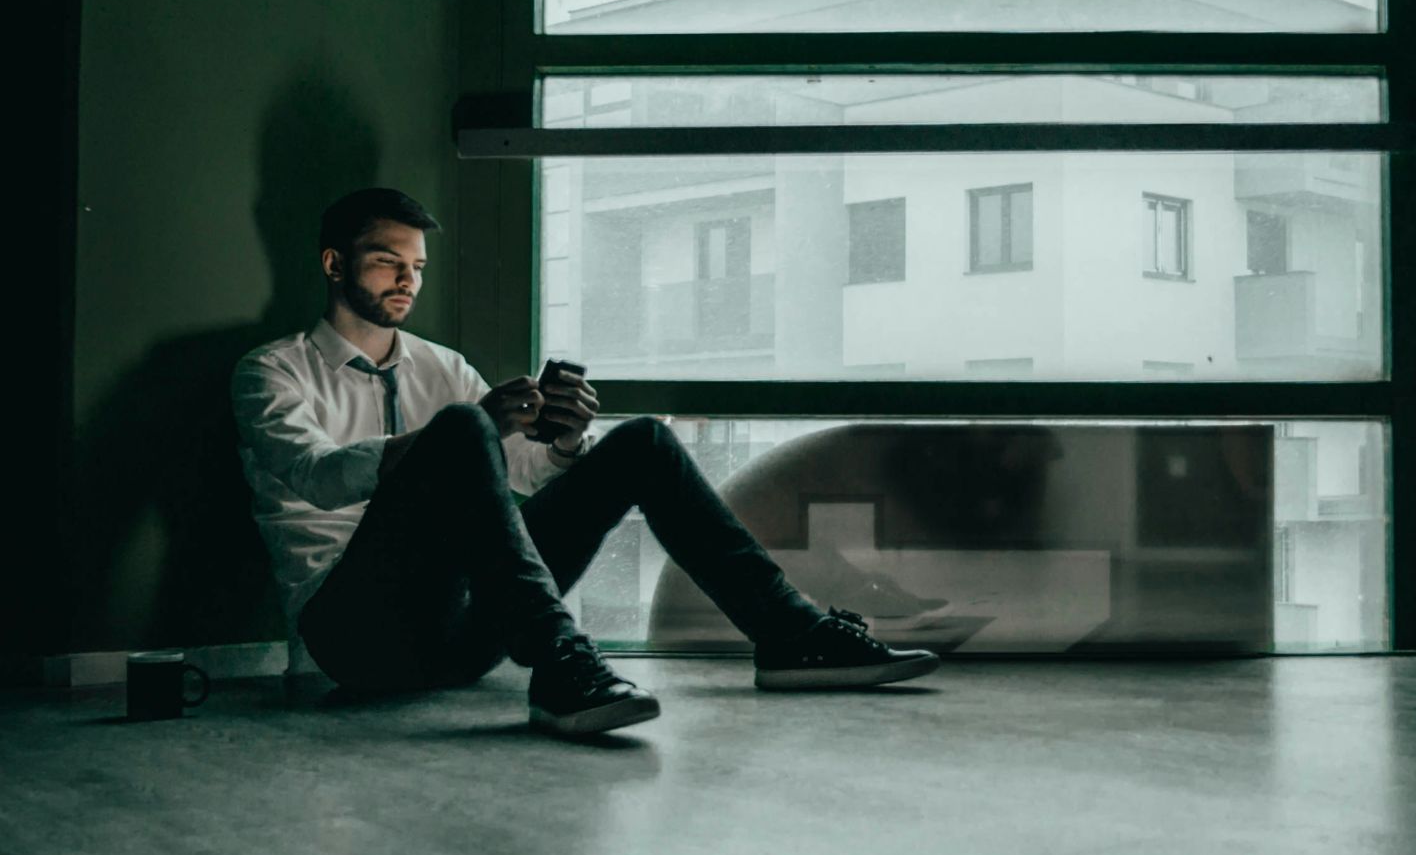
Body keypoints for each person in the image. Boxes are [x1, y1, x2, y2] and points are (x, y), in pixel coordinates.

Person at [231, 188, 938, 735]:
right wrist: (458, 433)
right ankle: (560, 661)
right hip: (352, 638)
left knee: (641, 443)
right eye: (388, 261)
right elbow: (317, 479)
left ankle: (791, 633)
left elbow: (516, 480)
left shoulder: (443, 368)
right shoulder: (273, 372)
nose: (407, 280)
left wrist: (563, 441)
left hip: (467, 635)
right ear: (334, 264)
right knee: (457, 430)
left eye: (416, 267)